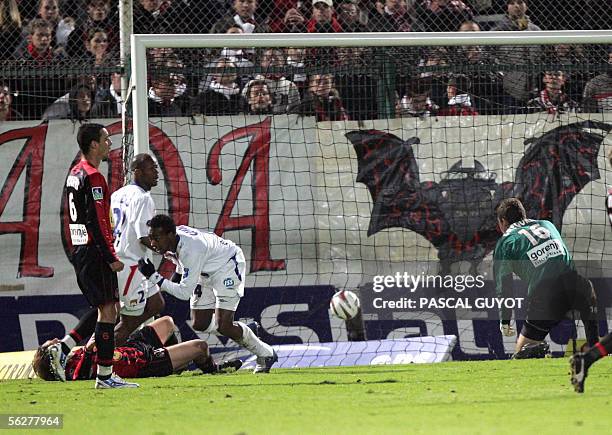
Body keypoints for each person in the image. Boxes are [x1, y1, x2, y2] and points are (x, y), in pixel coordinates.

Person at [47, 123, 138, 389]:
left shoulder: (75, 173)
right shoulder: (94, 177)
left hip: (80, 250)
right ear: (94, 145)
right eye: (106, 139)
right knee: (110, 311)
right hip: (95, 251)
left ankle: (67, 350)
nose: (110, 143)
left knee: (107, 309)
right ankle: (105, 376)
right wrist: (111, 257)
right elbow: (98, 222)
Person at [137, 214, 278, 374]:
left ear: (170, 234)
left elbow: (184, 293)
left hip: (227, 267)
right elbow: (181, 268)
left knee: (224, 326)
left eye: (156, 238)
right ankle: (245, 331)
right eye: (151, 238)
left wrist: (154, 277)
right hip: (205, 269)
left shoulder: (191, 249)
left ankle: (266, 354)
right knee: (200, 323)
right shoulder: (174, 241)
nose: (153, 243)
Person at [493, 198, 598, 358]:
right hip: (579, 287)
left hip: (547, 296)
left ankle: (536, 352)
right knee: (586, 292)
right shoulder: (547, 225)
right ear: (524, 214)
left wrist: (505, 320)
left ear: (503, 221)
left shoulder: (505, 242)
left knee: (520, 356)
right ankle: (596, 348)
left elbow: (504, 287)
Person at [34, 316, 242, 381]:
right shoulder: (73, 371)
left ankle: (175, 366)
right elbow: (84, 373)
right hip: (142, 363)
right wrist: (90, 349)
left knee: (167, 323)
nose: (55, 340)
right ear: (53, 359)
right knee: (200, 347)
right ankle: (214, 371)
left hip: (133, 348)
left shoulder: (72, 357)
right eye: (51, 344)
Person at [111, 153, 166, 345]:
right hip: (130, 265)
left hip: (131, 263)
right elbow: (144, 237)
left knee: (156, 303)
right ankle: (96, 364)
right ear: (137, 172)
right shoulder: (143, 198)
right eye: (151, 169)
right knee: (126, 322)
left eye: (156, 168)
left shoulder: (117, 194)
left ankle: (129, 346)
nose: (156, 173)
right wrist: (166, 250)